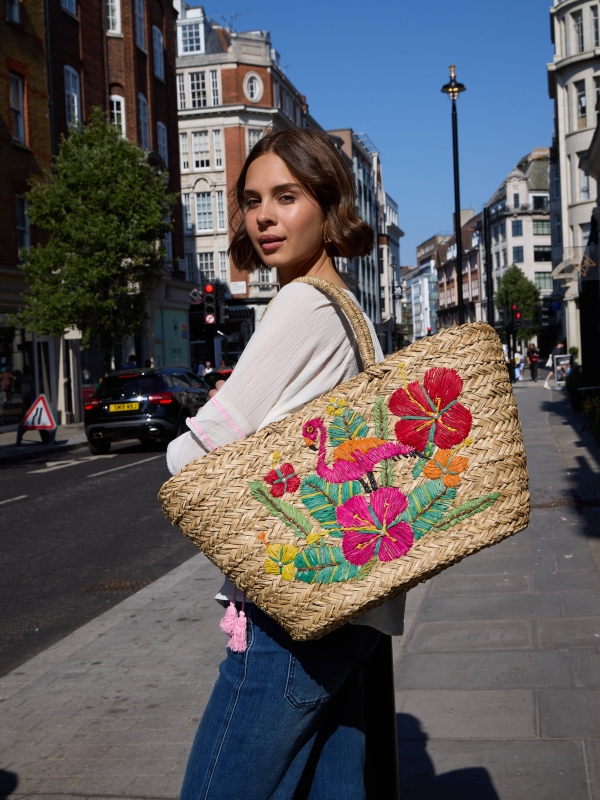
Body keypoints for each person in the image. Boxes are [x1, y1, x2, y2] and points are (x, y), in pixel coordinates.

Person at [166, 128, 405, 800]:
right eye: (251, 200)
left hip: (288, 625)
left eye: (286, 196)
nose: (264, 216)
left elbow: (189, 456)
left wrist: (216, 414)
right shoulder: (350, 310)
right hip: (349, 620)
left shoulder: (299, 305)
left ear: (328, 206)